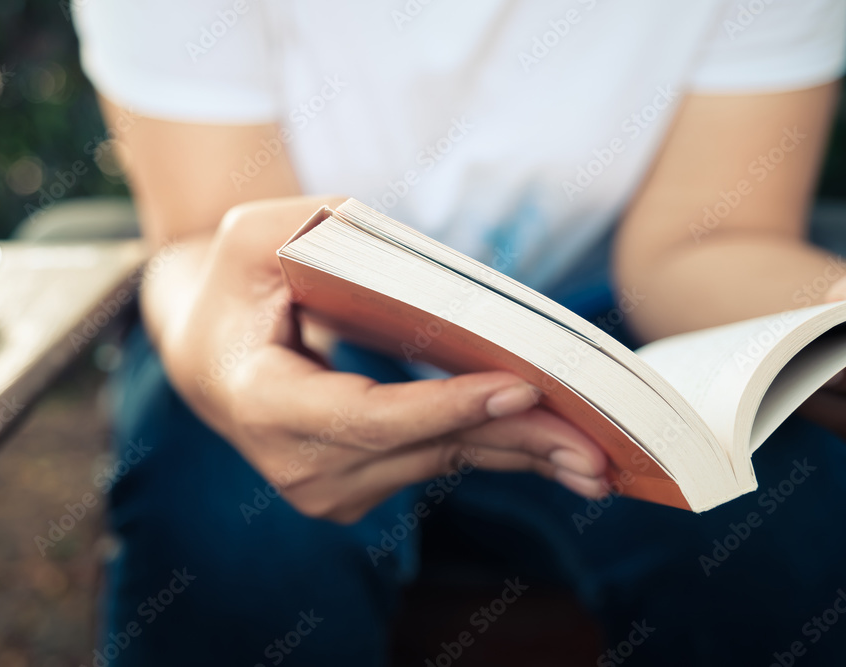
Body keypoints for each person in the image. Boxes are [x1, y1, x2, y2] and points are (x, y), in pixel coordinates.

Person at [72, 1, 846, 664]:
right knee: (226, 518)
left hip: (609, 332)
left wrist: (825, 316)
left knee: (781, 515)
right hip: (311, 314)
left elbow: (706, 239)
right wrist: (237, 378)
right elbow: (208, 236)